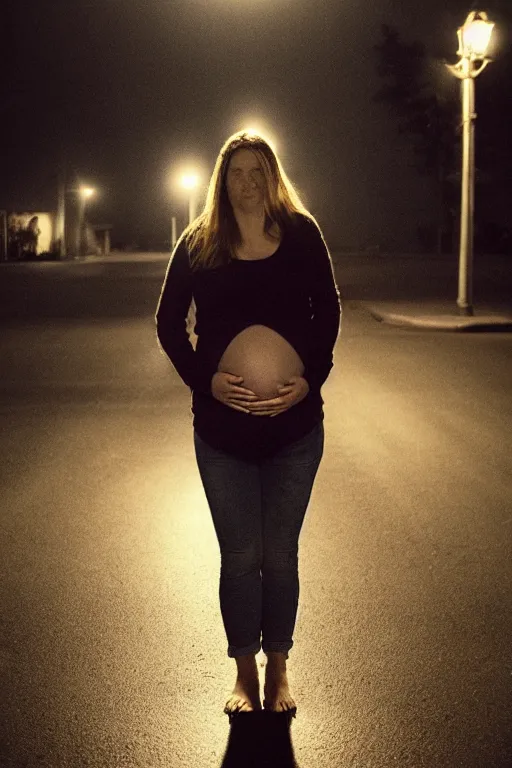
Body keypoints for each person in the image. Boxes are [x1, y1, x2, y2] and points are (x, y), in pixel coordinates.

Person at [155, 130, 342, 721]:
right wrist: (203, 379)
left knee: (279, 553)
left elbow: (328, 308)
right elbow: (167, 322)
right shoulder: (200, 242)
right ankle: (243, 672)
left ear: (272, 176)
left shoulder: (302, 234)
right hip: (222, 433)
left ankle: (280, 667)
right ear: (222, 179)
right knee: (240, 554)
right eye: (237, 171)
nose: (248, 181)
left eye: (259, 170)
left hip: (294, 432)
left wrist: (310, 377)